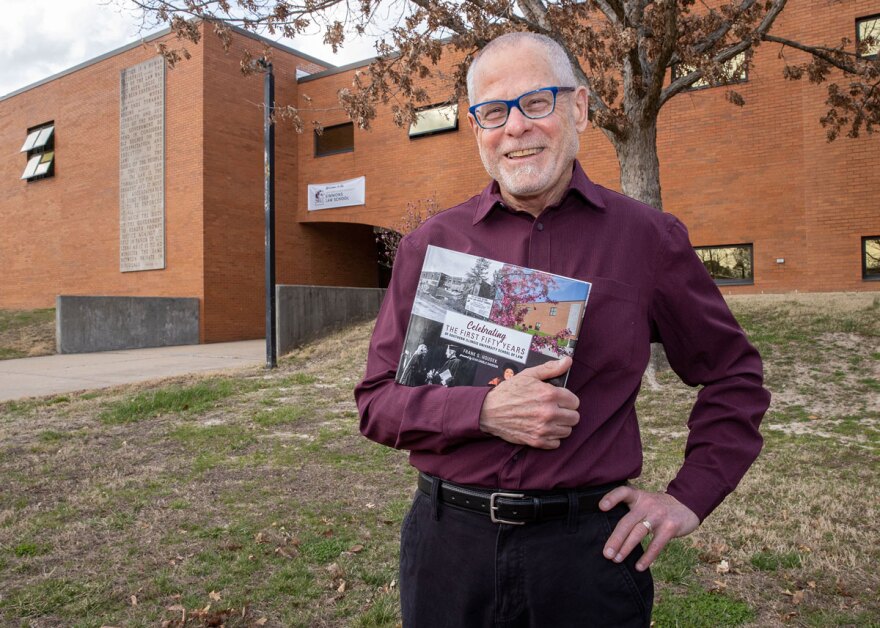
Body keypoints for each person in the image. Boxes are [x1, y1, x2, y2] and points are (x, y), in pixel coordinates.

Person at [355, 31, 770, 627]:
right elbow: (376, 405)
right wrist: (484, 410)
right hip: (449, 550)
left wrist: (687, 497)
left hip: (588, 557)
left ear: (577, 108)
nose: (515, 127)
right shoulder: (432, 246)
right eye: (493, 112)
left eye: (536, 102)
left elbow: (734, 376)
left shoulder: (648, 240)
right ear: (477, 128)